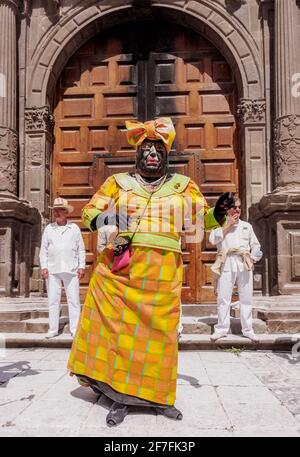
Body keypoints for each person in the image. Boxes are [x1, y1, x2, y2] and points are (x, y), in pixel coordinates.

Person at [67, 117, 234, 426]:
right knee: (120, 334)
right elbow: (89, 213)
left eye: (158, 147)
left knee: (159, 336)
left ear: (167, 153)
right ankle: (119, 396)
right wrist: (110, 218)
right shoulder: (118, 183)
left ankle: (157, 397)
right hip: (120, 273)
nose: (152, 153)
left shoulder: (183, 186)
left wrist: (219, 212)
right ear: (137, 154)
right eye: (146, 148)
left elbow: (197, 222)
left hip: (162, 274)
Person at [209, 194, 263, 342]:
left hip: (244, 263)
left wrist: (252, 258)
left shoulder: (247, 226)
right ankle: (221, 329)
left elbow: (256, 246)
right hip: (226, 262)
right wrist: (229, 225)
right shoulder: (219, 225)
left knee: (246, 297)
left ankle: (247, 330)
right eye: (234, 207)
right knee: (223, 297)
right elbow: (213, 240)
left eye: (239, 207)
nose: (237, 210)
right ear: (227, 209)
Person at [39, 197, 86, 339]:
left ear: (66, 212)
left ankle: (75, 328)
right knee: (53, 300)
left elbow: (81, 249)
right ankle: (53, 329)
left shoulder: (74, 228)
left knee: (74, 300)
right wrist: (44, 266)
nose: (56, 213)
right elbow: (43, 249)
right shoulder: (49, 228)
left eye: (59, 210)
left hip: (71, 269)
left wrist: (82, 266)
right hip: (53, 269)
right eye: (55, 211)